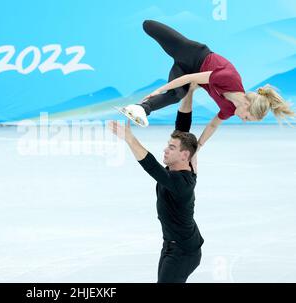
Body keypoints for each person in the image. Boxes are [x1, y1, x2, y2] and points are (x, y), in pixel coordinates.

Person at [120, 20, 295, 149]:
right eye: (248, 117)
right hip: (191, 53)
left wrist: (198, 147)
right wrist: (159, 89)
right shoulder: (230, 78)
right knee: (148, 25)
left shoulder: (228, 109)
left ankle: (140, 109)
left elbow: (212, 125)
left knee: (177, 95)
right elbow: (190, 79)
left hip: (186, 71)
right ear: (247, 105)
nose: (244, 120)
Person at [109, 83, 203, 283]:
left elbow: (152, 167)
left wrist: (129, 139)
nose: (165, 150)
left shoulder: (181, 182)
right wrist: (189, 92)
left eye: (171, 147)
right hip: (173, 245)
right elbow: (183, 125)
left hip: (183, 251)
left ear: (184, 155)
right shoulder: (183, 164)